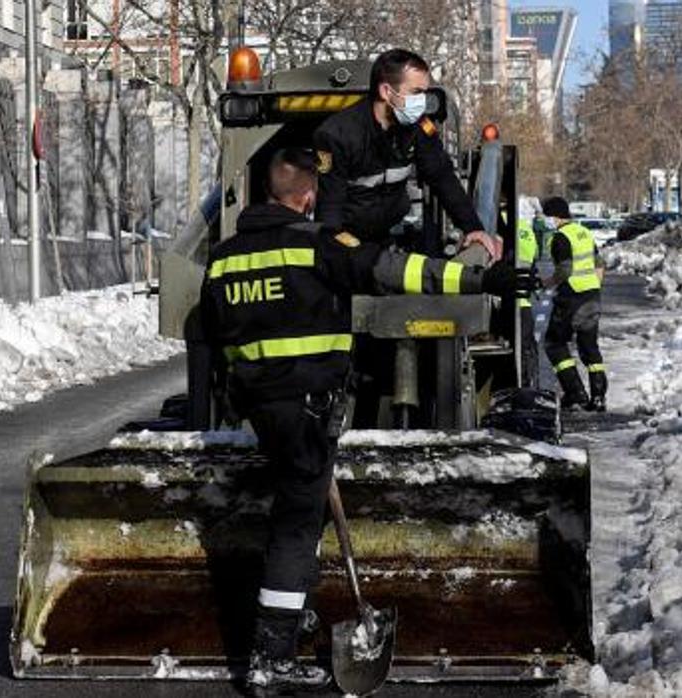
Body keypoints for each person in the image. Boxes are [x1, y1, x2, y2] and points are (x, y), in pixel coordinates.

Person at [199, 148, 526, 691]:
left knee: (299, 504)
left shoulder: (226, 258)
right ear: (307, 197)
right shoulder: (317, 245)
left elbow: (213, 334)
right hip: (308, 408)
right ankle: (270, 654)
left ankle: (295, 608)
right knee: (296, 523)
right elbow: (393, 270)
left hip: (260, 408)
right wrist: (478, 282)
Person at [313, 48, 500, 260]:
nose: (422, 101)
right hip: (349, 241)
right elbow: (330, 208)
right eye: (416, 93)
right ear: (386, 92)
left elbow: (442, 177)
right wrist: (341, 255)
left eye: (425, 93)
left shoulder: (418, 127)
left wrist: (473, 228)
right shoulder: (337, 135)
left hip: (387, 236)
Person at [541, 196, 606, 412]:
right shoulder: (584, 232)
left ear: (554, 216)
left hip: (571, 297)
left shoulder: (560, 237)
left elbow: (565, 269)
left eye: (546, 216)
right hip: (591, 295)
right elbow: (599, 263)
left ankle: (575, 392)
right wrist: (595, 285)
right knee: (589, 347)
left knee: (554, 343)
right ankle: (598, 397)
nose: (545, 221)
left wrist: (548, 283)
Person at [516, 199, 540, 386]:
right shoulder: (526, 229)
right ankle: (528, 382)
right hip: (523, 300)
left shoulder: (491, 225)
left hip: (499, 299)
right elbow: (533, 260)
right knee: (527, 346)